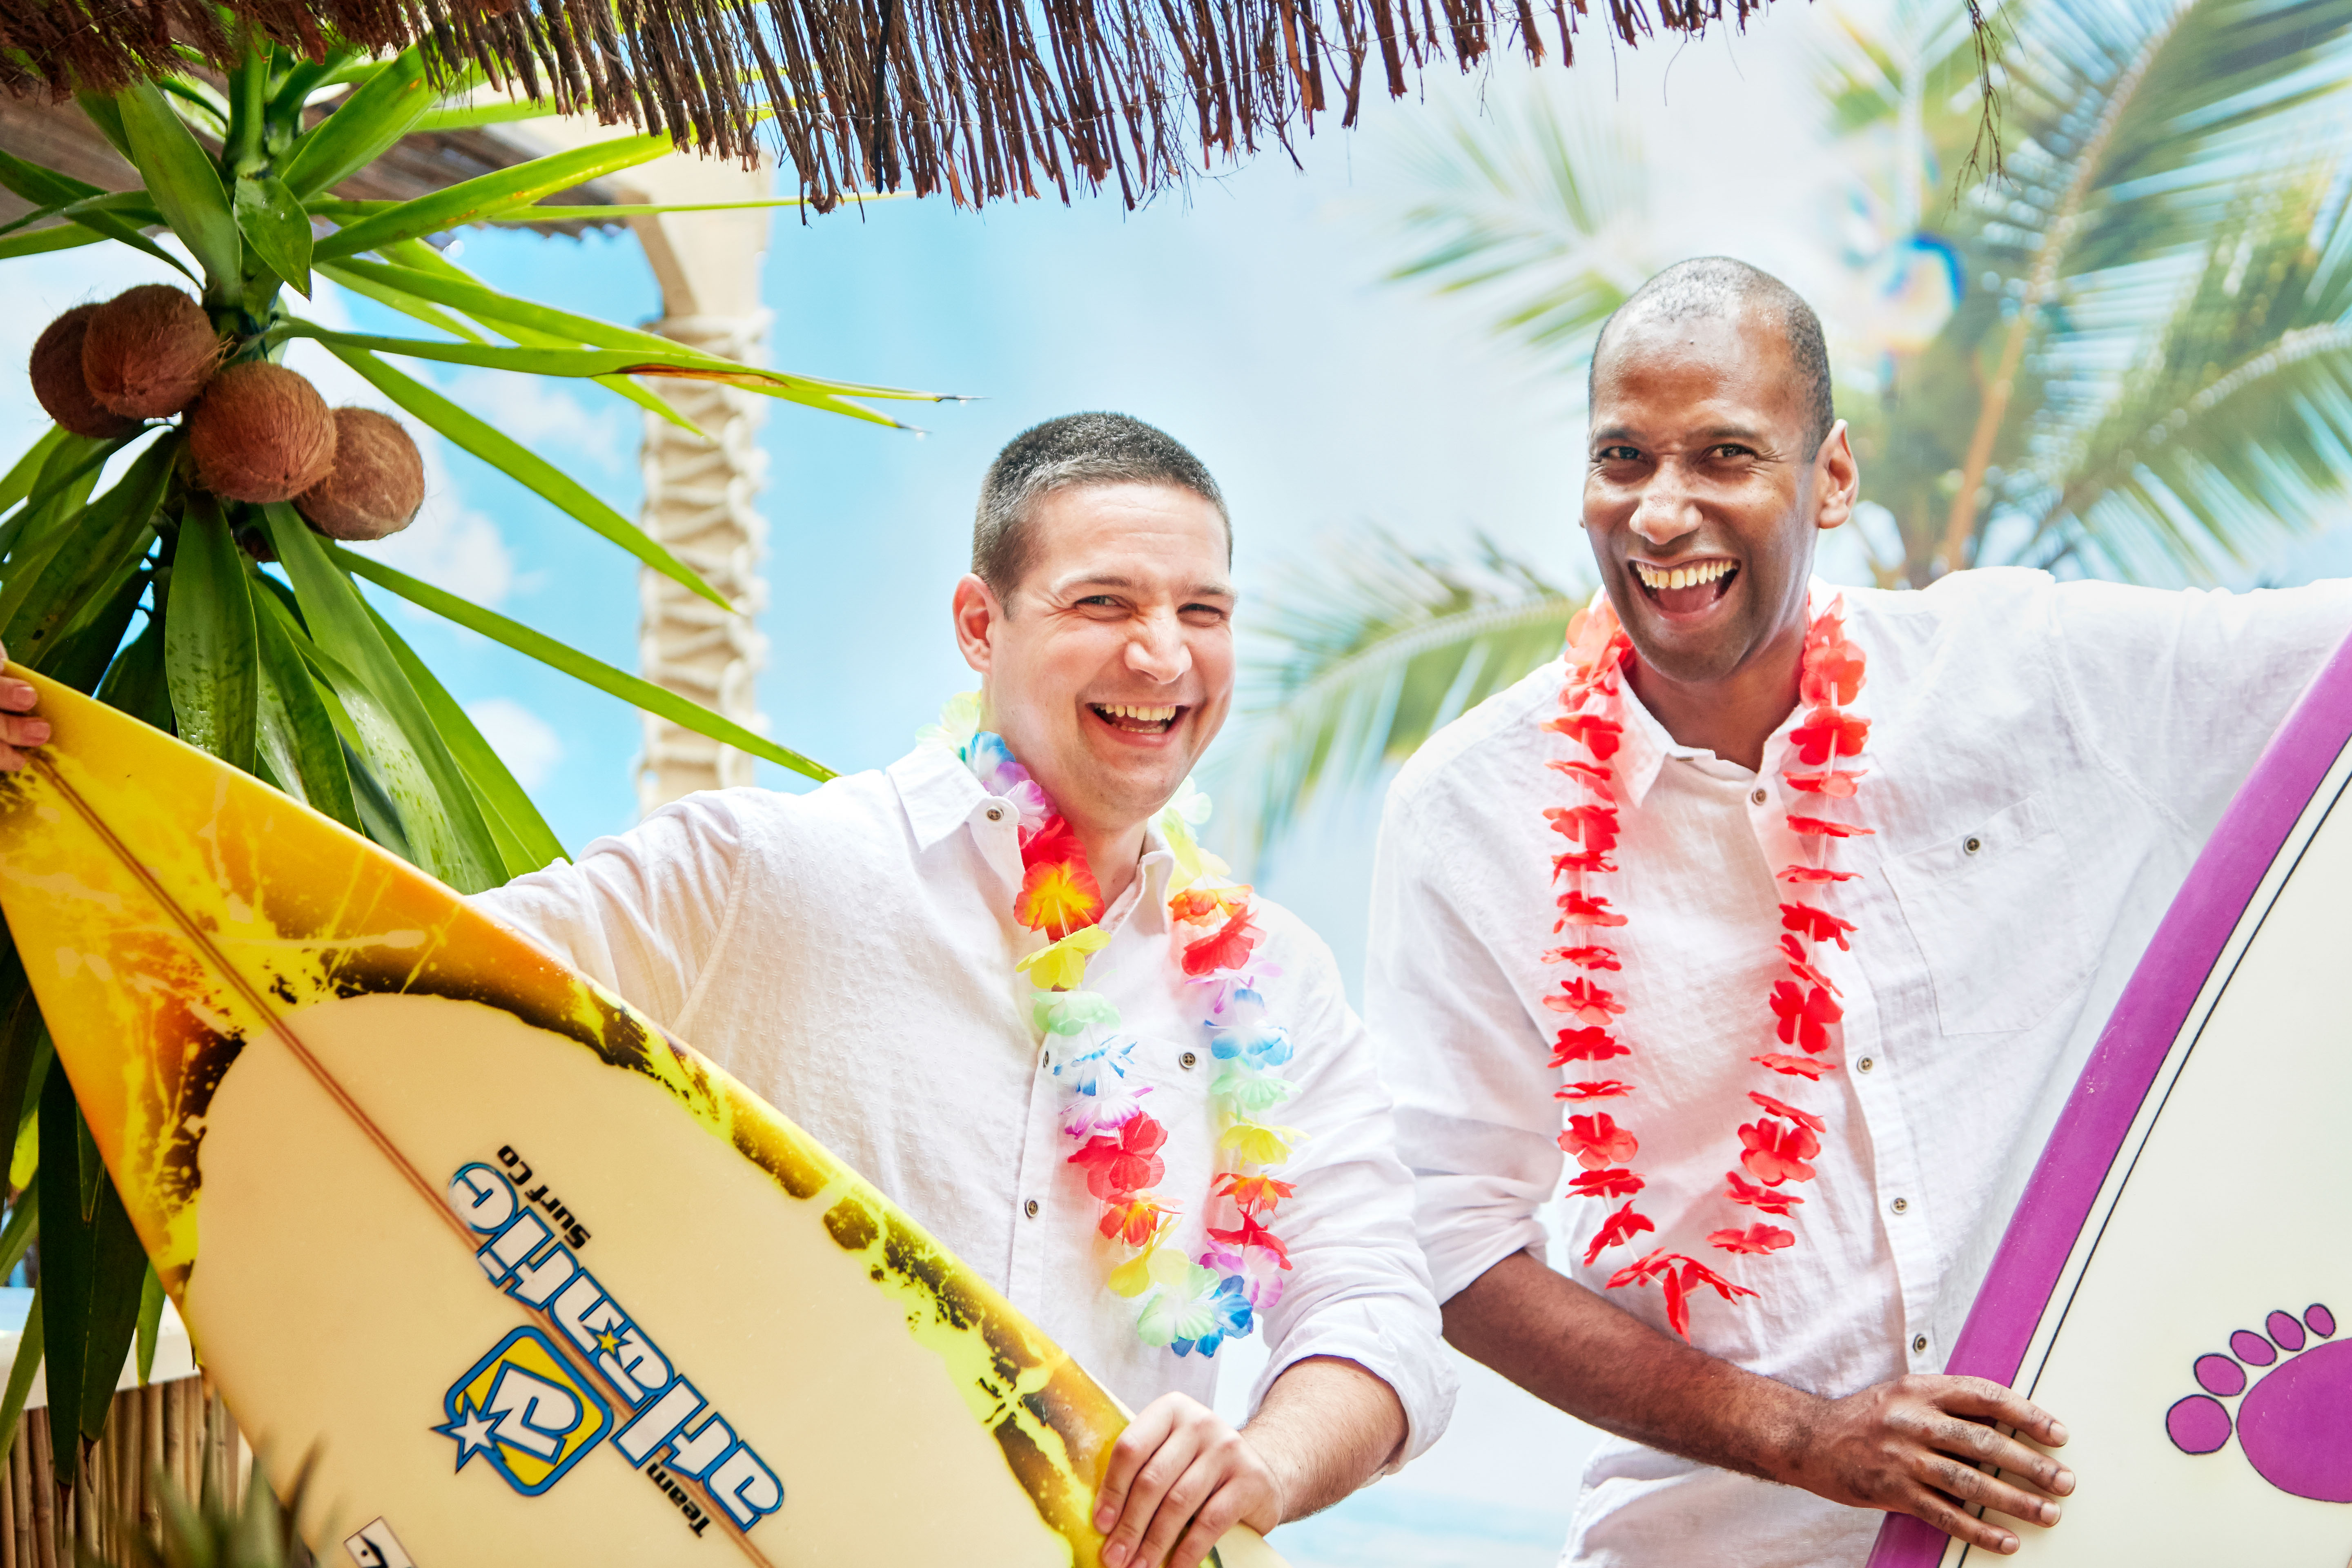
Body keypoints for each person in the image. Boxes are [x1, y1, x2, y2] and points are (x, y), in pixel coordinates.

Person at [0, 412, 1453, 1568]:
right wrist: (73, 805)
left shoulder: (1270, 984)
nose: (1162, 654)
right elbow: (367, 1006)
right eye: (1104, 601)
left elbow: (1380, 1309)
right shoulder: (758, 871)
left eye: (1204, 609)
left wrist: (1262, 1460)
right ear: (979, 623)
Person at [1365, 256, 2352, 1566]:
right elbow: (1452, 1245)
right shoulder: (1470, 815)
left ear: (1831, 476)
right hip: (1717, 1542)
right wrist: (1801, 1436)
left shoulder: (2027, 673)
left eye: (1724, 455)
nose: (1661, 513)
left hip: (2079, 1525)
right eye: (1622, 459)